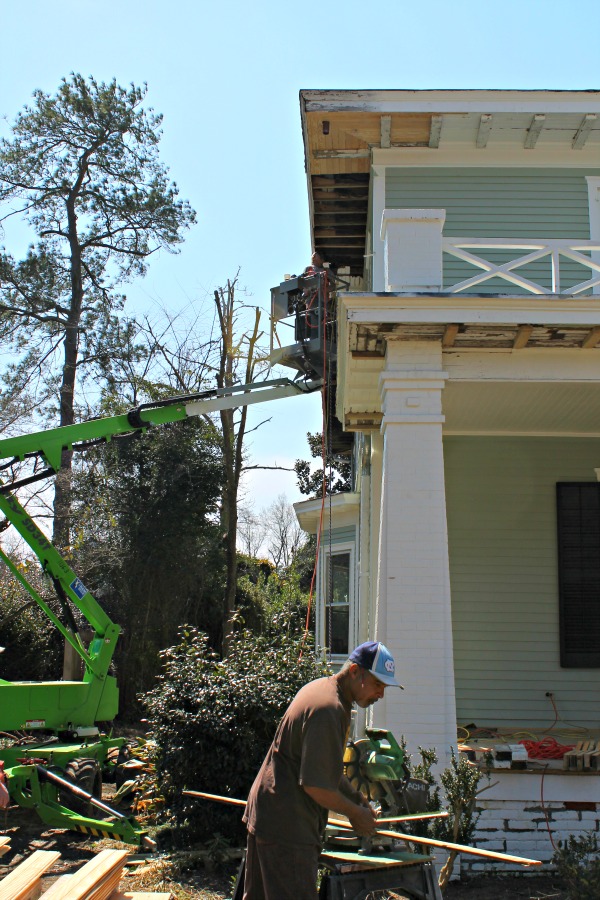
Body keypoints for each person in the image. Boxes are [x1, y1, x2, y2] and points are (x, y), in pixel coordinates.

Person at [241, 641, 403, 900]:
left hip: (269, 814)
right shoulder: (329, 709)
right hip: (288, 827)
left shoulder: (323, 690)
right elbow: (316, 785)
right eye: (377, 684)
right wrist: (355, 814)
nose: (381, 694)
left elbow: (326, 770)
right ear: (355, 672)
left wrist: (356, 799)